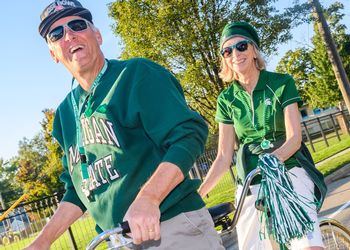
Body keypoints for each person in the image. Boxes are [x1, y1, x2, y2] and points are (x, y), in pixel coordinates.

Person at [25, 1, 225, 249]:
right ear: (53, 53)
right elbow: (78, 191)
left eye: (77, 25)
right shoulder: (65, 114)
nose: (69, 35)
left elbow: (188, 134)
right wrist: (40, 243)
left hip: (171, 226)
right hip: (118, 241)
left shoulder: (136, 74)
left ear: (97, 35)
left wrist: (149, 198)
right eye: (56, 34)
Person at [198, 21, 327, 250]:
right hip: (250, 178)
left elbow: (294, 138)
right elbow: (223, 156)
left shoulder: (281, 83)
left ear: (254, 49)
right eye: (227, 51)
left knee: (307, 245)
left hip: (288, 169)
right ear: (224, 59)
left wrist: (272, 161)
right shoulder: (226, 99)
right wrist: (198, 195)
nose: (235, 54)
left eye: (241, 46)